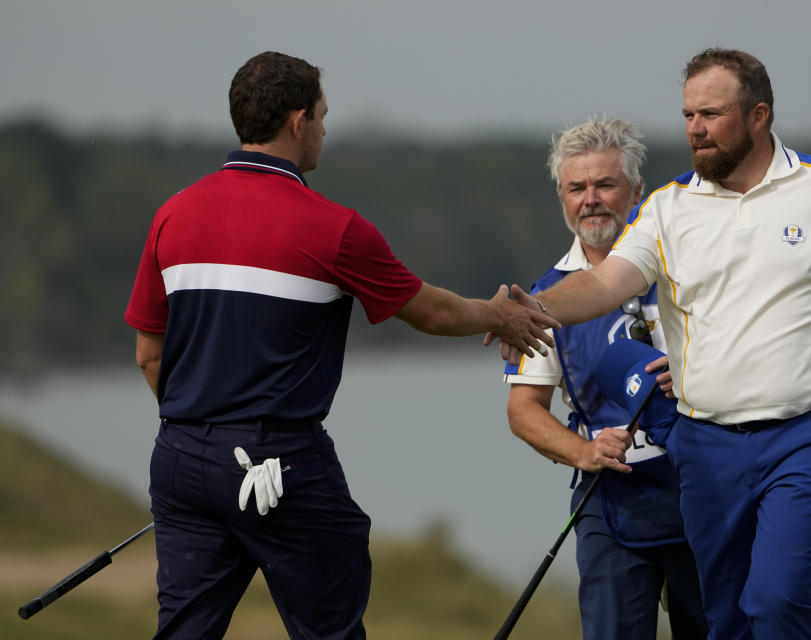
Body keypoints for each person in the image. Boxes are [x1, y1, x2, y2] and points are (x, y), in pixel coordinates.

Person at [504, 49, 811, 639]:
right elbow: (604, 284)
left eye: (711, 114)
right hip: (706, 446)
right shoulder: (667, 207)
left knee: (776, 599)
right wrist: (531, 310)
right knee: (729, 617)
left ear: (758, 115)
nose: (695, 129)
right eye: (688, 115)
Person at [123, 51, 557, 640]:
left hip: (179, 457)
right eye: (323, 117)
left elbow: (150, 356)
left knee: (185, 630)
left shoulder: (171, 215)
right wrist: (500, 316)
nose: (325, 130)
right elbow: (429, 312)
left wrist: (203, 442)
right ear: (297, 122)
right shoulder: (334, 228)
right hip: (279, 461)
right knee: (330, 628)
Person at [502, 116, 707, 639]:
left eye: (605, 184)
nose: (590, 199)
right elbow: (524, 411)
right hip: (611, 502)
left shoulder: (691, 269)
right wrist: (582, 452)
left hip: (707, 489)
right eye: (576, 188)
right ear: (562, 199)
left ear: (636, 190)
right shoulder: (545, 294)